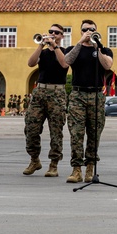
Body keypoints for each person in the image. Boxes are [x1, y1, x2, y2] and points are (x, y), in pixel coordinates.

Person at [62, 20, 114, 183]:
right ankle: (76, 169)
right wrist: (80, 42)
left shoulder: (104, 50)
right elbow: (66, 61)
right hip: (78, 95)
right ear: (81, 31)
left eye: (92, 30)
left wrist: (97, 46)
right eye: (85, 30)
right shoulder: (73, 49)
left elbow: (107, 65)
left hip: (96, 95)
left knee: (94, 133)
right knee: (76, 133)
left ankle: (90, 168)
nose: (88, 32)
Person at [22, 24, 68, 177]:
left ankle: (54, 164)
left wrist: (55, 46)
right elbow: (30, 63)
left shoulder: (66, 51)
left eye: (57, 32)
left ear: (62, 36)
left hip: (57, 93)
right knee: (31, 127)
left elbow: (64, 64)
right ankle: (34, 160)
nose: (53, 34)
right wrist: (41, 44)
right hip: (39, 92)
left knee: (56, 131)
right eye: (51, 32)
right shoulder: (42, 52)